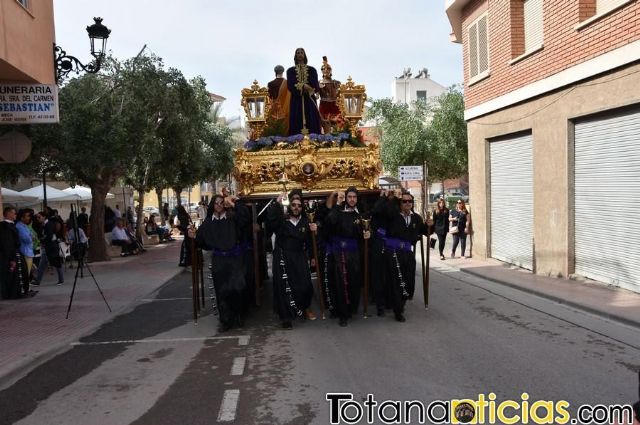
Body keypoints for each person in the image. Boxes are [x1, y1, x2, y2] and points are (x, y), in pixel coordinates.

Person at [190, 194, 250, 332]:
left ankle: (238, 315)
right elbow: (201, 242)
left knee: (237, 288)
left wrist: (235, 202)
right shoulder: (208, 223)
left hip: (235, 259)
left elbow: (245, 218)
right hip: (219, 260)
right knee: (222, 291)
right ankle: (225, 321)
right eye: (216, 203)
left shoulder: (232, 218)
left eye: (221, 203)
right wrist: (193, 236)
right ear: (212, 205)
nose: (219, 205)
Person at [267, 189, 318, 329]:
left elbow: (309, 241)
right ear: (290, 206)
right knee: (284, 287)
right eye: (294, 205)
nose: (296, 207)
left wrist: (315, 231)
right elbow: (271, 222)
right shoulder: (282, 221)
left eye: (299, 205)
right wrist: (277, 202)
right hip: (283, 257)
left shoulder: (306, 222)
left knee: (305, 285)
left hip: (299, 257)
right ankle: (286, 317)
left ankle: (302, 308)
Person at [383, 191, 432, 322]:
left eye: (409, 201)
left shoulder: (416, 218)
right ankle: (398, 310)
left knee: (409, 280)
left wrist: (429, 226)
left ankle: (402, 302)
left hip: (408, 253)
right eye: (404, 201)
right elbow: (386, 211)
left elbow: (424, 232)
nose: (407, 204)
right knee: (397, 281)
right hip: (394, 252)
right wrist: (393, 198)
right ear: (400, 203)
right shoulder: (393, 215)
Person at [326, 187, 371, 326]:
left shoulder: (360, 214)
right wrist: (338, 203)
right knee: (341, 282)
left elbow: (366, 229)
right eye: (349, 197)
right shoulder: (338, 210)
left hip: (354, 253)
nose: (352, 199)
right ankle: (342, 313)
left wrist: (368, 233)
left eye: (354, 197)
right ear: (346, 198)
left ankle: (352, 308)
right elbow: (330, 222)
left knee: (354, 281)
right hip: (340, 253)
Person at [287, 47, 322, 135]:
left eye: (301, 52)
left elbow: (315, 84)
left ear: (304, 55)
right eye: (298, 53)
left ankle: (314, 139)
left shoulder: (312, 70)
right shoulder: (290, 71)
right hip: (296, 100)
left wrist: (309, 88)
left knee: (312, 118)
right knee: (296, 118)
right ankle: (295, 140)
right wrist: (303, 86)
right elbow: (290, 85)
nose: (300, 54)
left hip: (309, 99)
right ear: (295, 56)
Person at [36, 213, 65, 285]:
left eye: (39, 217)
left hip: (51, 247)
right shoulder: (44, 225)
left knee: (56, 263)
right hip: (49, 247)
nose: (38, 219)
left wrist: (42, 240)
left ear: (44, 217)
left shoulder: (48, 224)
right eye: (37, 217)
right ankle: (37, 281)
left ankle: (61, 279)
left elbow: (49, 236)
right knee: (43, 264)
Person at [0, 206, 22, 299]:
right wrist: (12, 259)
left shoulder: (9, 226)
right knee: (9, 276)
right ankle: (10, 294)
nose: (15, 215)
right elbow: (8, 244)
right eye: (14, 213)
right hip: (8, 256)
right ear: (9, 214)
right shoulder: (5, 227)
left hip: (8, 255)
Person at [318, 56, 342, 134]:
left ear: (331, 71)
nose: (326, 70)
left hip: (334, 105)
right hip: (324, 105)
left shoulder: (336, 83)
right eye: (324, 69)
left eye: (328, 69)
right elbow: (317, 96)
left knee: (337, 126)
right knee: (325, 125)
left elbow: (340, 95)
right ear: (322, 71)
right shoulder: (319, 83)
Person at [16, 209, 36, 296]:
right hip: (25, 252)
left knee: (28, 272)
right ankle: (26, 290)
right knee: (26, 272)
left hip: (28, 251)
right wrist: (31, 237)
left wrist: (32, 237)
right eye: (27, 216)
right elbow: (28, 239)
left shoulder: (24, 226)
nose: (29, 218)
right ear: (22, 217)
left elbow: (33, 236)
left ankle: (28, 288)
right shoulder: (20, 227)